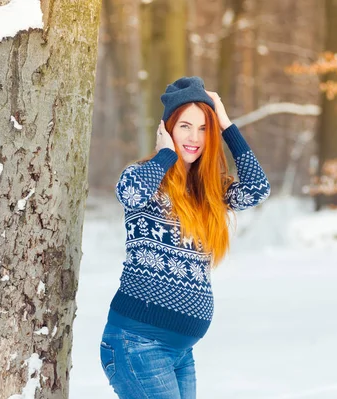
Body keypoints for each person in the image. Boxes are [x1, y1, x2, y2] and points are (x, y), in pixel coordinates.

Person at [99, 76, 270, 398]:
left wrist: (226, 124)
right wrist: (166, 155)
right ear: (167, 129)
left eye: (204, 128)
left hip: (179, 352)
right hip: (137, 345)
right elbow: (130, 194)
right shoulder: (146, 179)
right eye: (185, 127)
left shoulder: (209, 191)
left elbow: (257, 188)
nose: (195, 137)